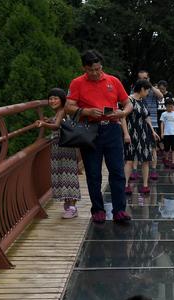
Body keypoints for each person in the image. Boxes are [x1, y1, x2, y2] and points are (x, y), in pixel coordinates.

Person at [65, 49, 132, 224]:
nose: (95, 73)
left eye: (98, 69)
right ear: (84, 68)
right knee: (93, 173)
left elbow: (128, 102)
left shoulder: (113, 81)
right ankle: (98, 210)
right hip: (90, 130)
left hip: (112, 129)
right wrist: (86, 111)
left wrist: (122, 112)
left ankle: (119, 210)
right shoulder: (77, 83)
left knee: (117, 171)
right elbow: (68, 106)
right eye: (91, 70)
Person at [36, 88, 81, 219]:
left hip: (65, 147)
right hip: (60, 147)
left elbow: (56, 126)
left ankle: (72, 207)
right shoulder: (58, 112)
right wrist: (48, 121)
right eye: (50, 98)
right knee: (63, 174)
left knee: (68, 174)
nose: (52, 101)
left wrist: (43, 123)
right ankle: (69, 205)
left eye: (56, 98)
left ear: (62, 100)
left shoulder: (62, 111)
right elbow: (57, 123)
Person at [123, 79, 160, 205]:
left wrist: (152, 130)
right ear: (142, 89)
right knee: (129, 160)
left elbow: (147, 116)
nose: (148, 92)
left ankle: (145, 185)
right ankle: (126, 184)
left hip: (144, 133)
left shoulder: (142, 101)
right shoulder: (128, 99)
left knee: (145, 159)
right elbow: (122, 117)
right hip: (131, 133)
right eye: (148, 89)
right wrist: (126, 133)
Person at [159, 98, 174, 169]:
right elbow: (162, 124)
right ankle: (166, 160)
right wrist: (162, 133)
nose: (170, 108)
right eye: (168, 106)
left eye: (171, 106)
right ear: (165, 106)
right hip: (166, 134)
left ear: (173, 106)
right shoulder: (163, 114)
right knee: (166, 148)